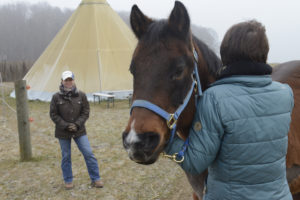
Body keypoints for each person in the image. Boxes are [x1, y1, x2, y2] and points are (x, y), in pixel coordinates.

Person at [165, 20, 294, 199]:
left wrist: (166, 140)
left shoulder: (214, 98)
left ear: (225, 53)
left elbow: (195, 163)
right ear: (264, 53)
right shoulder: (284, 93)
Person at [50, 70, 103, 190]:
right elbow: (53, 115)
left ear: (74, 80)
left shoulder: (81, 95)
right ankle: (68, 180)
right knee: (66, 156)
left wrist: (77, 124)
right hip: (63, 132)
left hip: (79, 131)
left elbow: (86, 112)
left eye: (70, 79)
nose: (68, 82)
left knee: (89, 154)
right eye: (66, 80)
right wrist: (66, 125)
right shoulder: (56, 97)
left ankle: (96, 179)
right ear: (62, 81)